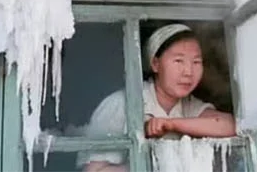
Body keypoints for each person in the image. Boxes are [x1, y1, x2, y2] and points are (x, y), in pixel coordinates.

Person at [78, 24, 236, 172]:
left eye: (196, 62)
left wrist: (171, 124)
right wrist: (153, 163)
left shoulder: (189, 106)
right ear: (155, 63)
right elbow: (93, 171)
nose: (188, 71)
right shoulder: (121, 104)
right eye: (178, 61)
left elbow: (229, 125)